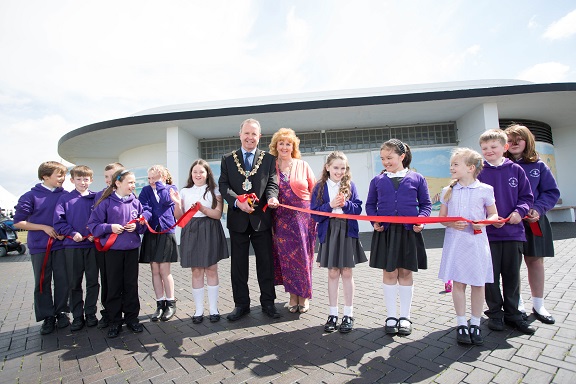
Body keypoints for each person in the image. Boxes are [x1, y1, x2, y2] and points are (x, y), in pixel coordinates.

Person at [366, 139, 431, 336]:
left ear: (402, 157)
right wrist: (374, 221)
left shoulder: (417, 178)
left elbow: (426, 205)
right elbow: (370, 205)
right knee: (389, 273)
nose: (386, 162)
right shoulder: (377, 181)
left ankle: (405, 317)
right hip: (386, 233)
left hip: (408, 232)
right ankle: (391, 316)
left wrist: (421, 220)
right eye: (383, 158)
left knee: (405, 273)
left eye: (390, 157)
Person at [219, 118, 281, 321]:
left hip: (261, 219)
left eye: (254, 134)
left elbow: (272, 182)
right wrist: (237, 202)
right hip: (238, 219)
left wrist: (272, 196)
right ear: (240, 135)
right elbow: (224, 185)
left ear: (259, 137)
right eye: (246, 133)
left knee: (265, 263)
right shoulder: (228, 159)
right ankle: (241, 304)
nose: (250, 137)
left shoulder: (269, 159)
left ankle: (268, 303)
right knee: (238, 265)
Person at [438, 148, 499, 345]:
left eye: (456, 164)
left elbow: (494, 215)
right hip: (456, 241)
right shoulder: (448, 191)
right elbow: (442, 219)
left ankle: (475, 322)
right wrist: (451, 223)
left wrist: (485, 222)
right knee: (458, 283)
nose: (451, 167)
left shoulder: (485, 190)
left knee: (478, 283)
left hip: (476, 242)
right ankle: (461, 322)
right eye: (451, 164)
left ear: (471, 168)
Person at [477, 129, 535, 334]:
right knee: (490, 276)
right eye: (484, 148)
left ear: (505, 148)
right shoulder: (478, 172)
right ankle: (495, 314)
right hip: (488, 235)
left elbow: (527, 197)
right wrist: (488, 219)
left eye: (494, 147)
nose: (489, 151)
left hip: (513, 233)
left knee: (512, 276)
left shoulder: (516, 170)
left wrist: (519, 212)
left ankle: (513, 314)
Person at [504, 124, 560, 324]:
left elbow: (551, 192)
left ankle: (539, 304)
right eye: (510, 139)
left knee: (535, 262)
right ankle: (516, 303)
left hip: (534, 221)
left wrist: (538, 208)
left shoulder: (539, 166)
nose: (514, 143)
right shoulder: (499, 166)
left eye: (519, 138)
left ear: (527, 141)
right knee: (511, 265)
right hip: (509, 224)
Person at [311, 151, 367, 333]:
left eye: (343, 168)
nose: (339, 171)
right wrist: (331, 205)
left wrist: (345, 204)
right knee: (333, 272)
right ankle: (333, 313)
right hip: (329, 231)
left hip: (347, 230)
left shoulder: (351, 186)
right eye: (336, 167)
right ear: (327, 167)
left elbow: (357, 209)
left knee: (347, 272)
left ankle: (348, 314)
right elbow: (315, 215)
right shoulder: (319, 187)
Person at [88, 169, 146, 338]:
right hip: (112, 251)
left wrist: (138, 226)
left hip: (131, 250)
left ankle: (132, 319)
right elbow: (93, 226)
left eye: (134, 182)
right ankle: (115, 321)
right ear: (118, 183)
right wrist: (110, 227)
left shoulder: (135, 202)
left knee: (131, 285)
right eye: (130, 182)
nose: (133, 185)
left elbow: (142, 222)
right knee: (113, 286)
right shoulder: (105, 203)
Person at [14, 161, 70, 335]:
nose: (63, 179)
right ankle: (47, 316)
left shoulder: (66, 195)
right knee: (42, 282)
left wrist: (64, 232)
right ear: (45, 176)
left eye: (63, 175)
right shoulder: (30, 196)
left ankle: (61, 312)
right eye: (59, 175)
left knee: (63, 279)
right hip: (40, 246)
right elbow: (18, 222)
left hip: (61, 245)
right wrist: (44, 227)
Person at [171, 159, 229, 324]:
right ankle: (198, 310)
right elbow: (179, 218)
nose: (198, 175)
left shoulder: (215, 191)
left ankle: (213, 309)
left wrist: (202, 208)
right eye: (195, 172)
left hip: (210, 229)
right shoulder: (184, 191)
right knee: (196, 271)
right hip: (191, 231)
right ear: (191, 174)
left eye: (201, 172)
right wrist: (176, 203)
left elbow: (217, 215)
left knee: (211, 269)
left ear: (207, 174)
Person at [268, 128, 317, 314]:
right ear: (276, 146)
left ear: (293, 146)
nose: (285, 147)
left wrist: (318, 214)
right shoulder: (271, 166)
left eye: (288, 144)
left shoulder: (302, 165)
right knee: (286, 259)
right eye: (281, 143)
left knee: (303, 257)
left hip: (303, 217)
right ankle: (292, 296)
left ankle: (303, 297)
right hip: (280, 218)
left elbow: (315, 191)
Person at [53, 165, 99, 331]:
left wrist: (97, 232)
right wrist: (72, 233)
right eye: (78, 179)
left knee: (93, 281)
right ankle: (78, 316)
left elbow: (101, 218)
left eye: (86, 179)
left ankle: (91, 313)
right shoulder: (65, 199)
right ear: (72, 180)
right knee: (74, 283)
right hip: (72, 247)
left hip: (92, 246)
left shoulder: (96, 198)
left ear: (91, 180)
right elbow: (58, 222)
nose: (82, 182)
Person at [139, 165, 179, 322]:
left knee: (164, 269)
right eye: (149, 178)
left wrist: (160, 185)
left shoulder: (170, 188)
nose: (151, 181)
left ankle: (170, 303)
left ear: (163, 177)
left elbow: (166, 200)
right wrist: (144, 217)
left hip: (166, 231)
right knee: (154, 269)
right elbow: (145, 207)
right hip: (151, 232)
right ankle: (159, 303)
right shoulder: (145, 191)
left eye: (154, 178)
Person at [94, 162, 124, 329]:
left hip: (124, 246)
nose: (108, 180)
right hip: (105, 246)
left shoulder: (129, 194)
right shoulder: (99, 196)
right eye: (106, 177)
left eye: (112, 176)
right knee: (107, 280)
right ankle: (109, 312)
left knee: (125, 281)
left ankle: (125, 311)